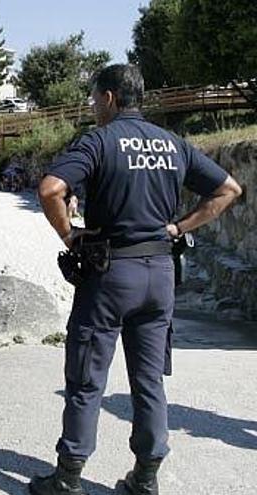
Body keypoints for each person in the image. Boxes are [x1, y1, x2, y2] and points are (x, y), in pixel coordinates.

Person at [30, 64, 242, 495]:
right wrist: (180, 228)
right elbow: (229, 190)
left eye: (94, 97)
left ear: (109, 97)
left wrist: (70, 235)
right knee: (148, 381)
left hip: (110, 276)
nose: (92, 105)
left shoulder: (99, 141)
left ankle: (68, 479)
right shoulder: (173, 144)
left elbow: (51, 188)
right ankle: (145, 478)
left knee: (88, 377)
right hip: (160, 275)